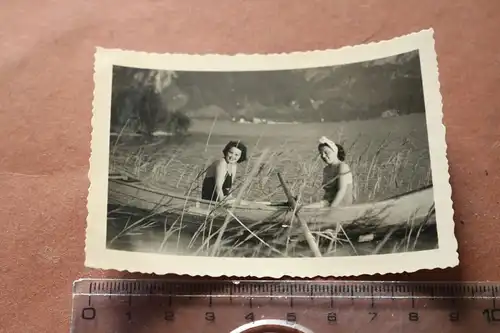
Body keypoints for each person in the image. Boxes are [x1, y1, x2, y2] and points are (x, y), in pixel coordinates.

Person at [305, 136, 354, 208]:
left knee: (304, 208)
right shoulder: (326, 169)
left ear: (335, 151)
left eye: (326, 152)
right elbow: (328, 192)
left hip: (341, 205)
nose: (323, 156)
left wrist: (331, 209)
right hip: (327, 203)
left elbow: (342, 190)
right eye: (321, 154)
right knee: (301, 206)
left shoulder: (342, 167)